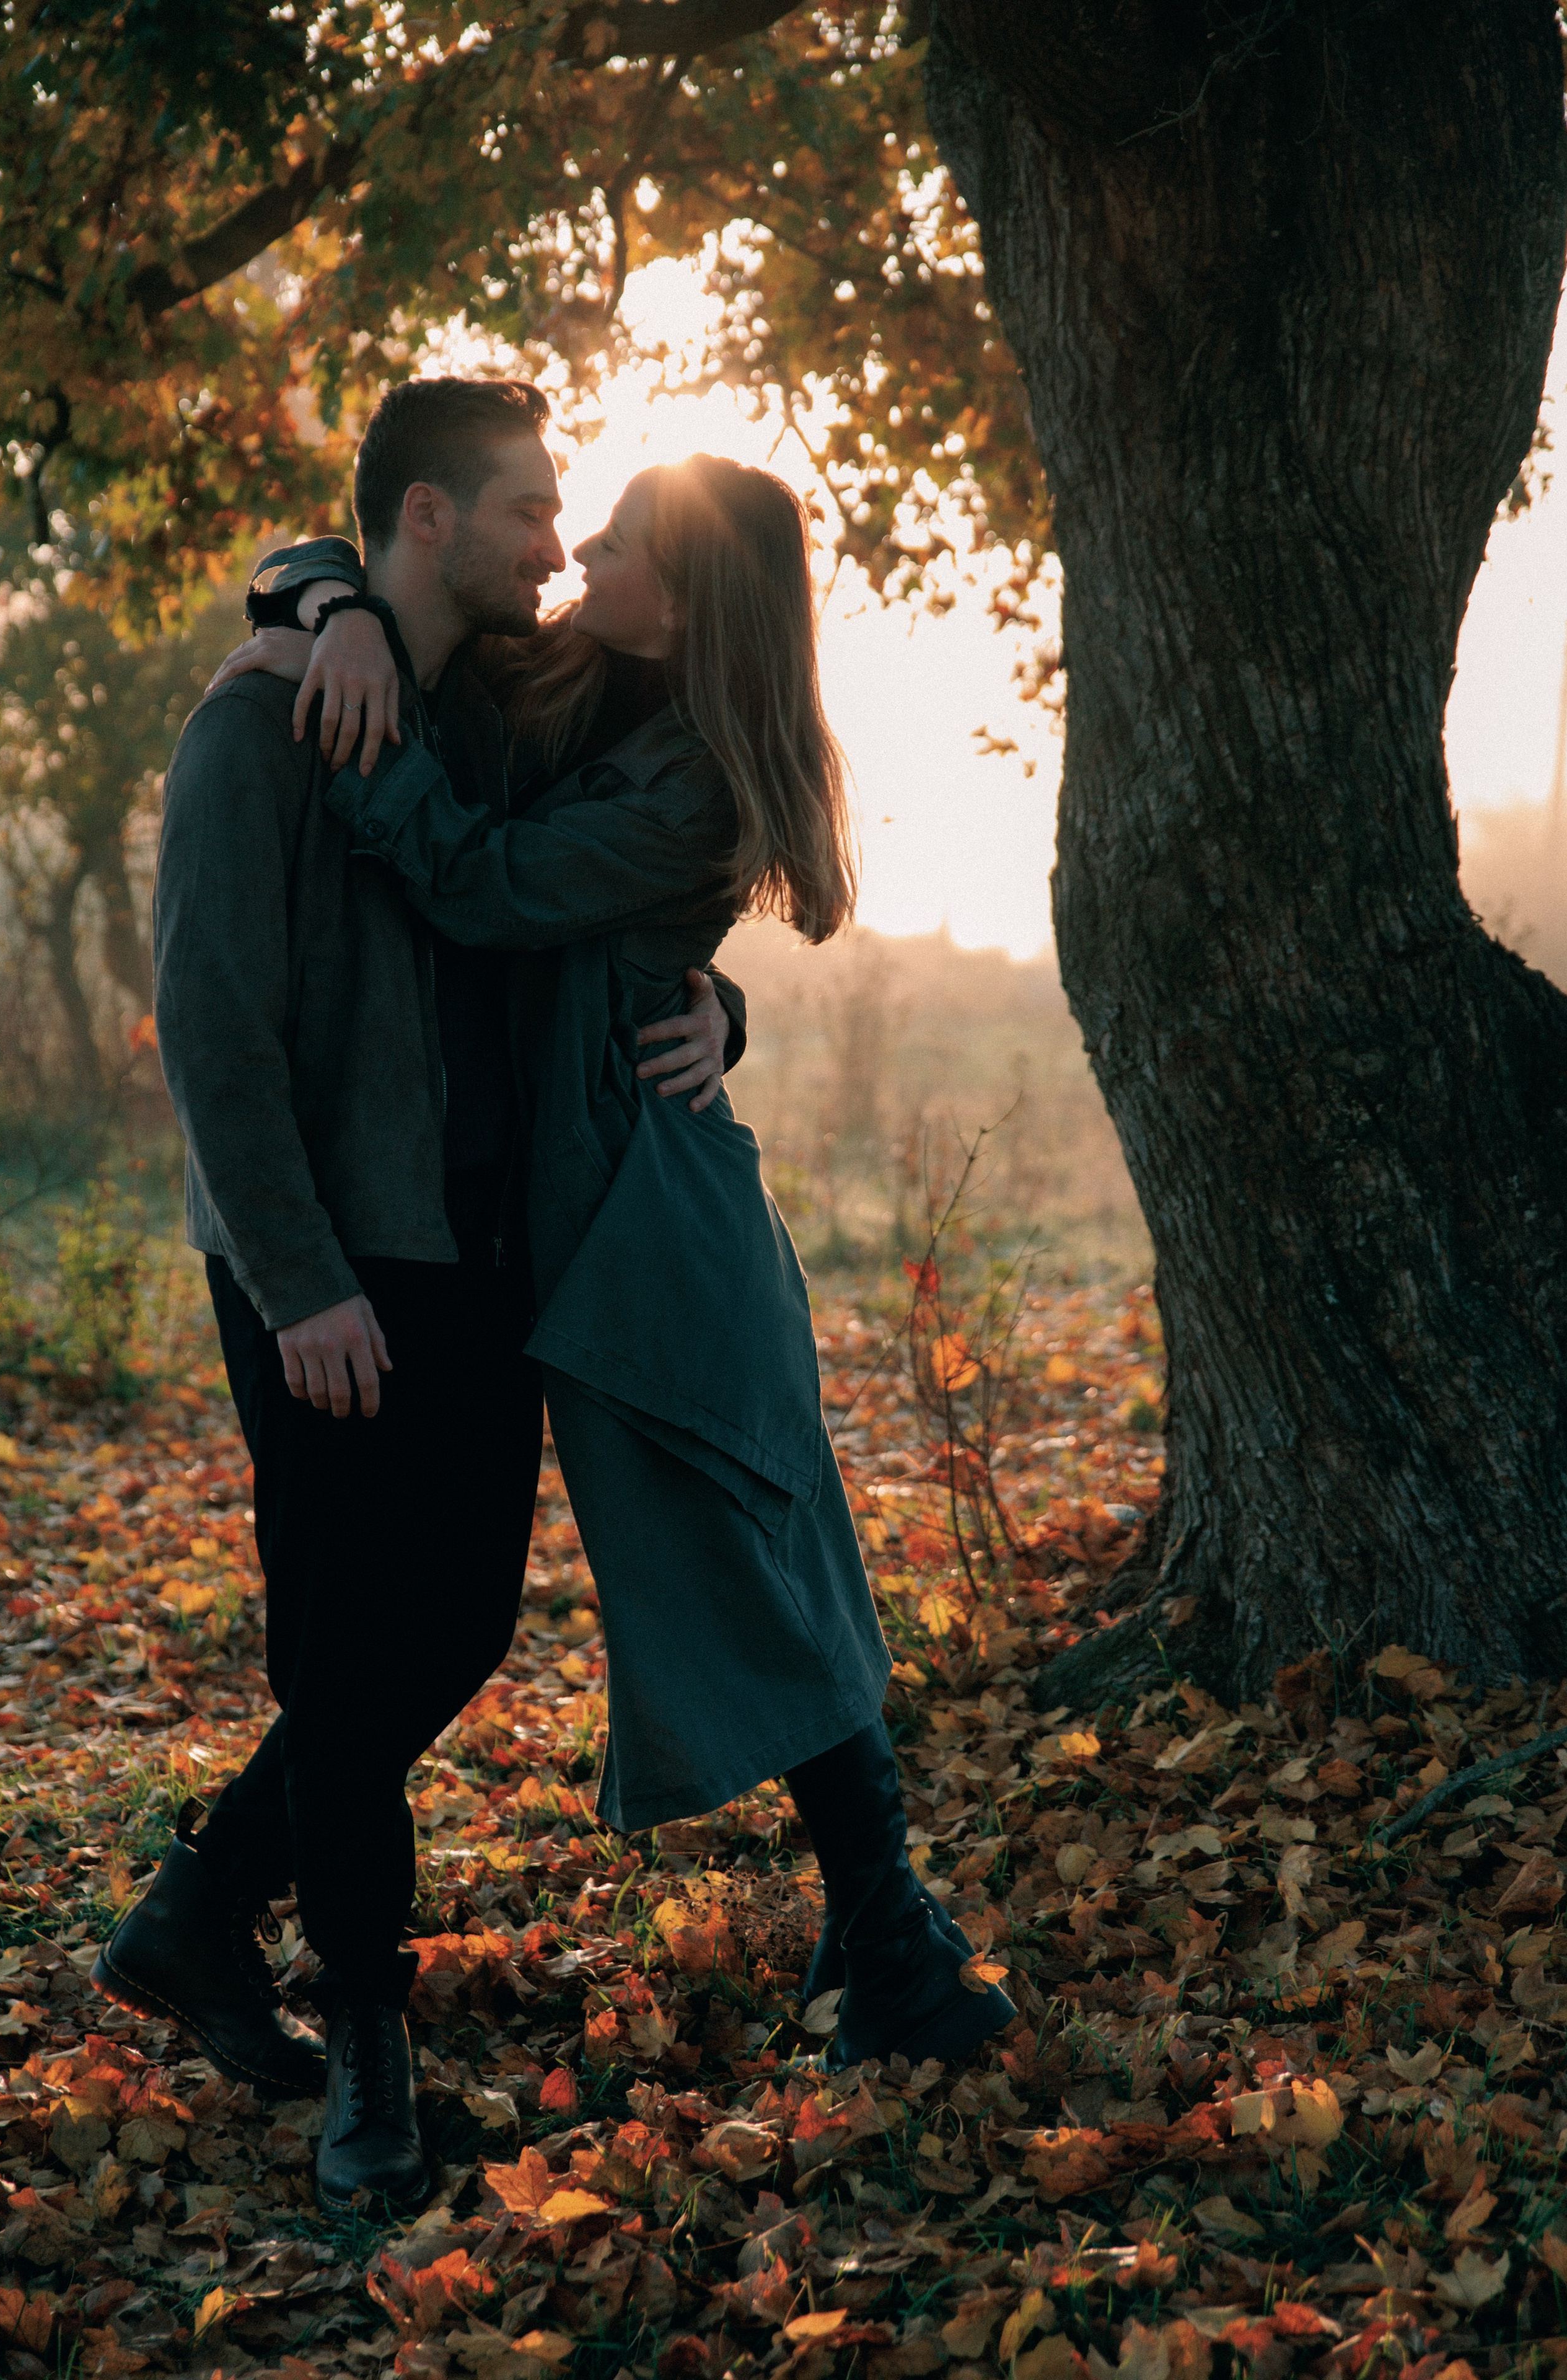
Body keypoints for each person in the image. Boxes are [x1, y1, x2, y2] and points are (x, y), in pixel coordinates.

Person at [222, 449, 1017, 2087]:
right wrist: (331, 606)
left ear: (695, 589)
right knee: (484, 1600)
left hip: (656, 1217)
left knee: (757, 1530)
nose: (582, 550)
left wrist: (719, 1008)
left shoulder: (697, 775)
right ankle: (884, 1940)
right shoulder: (571, 682)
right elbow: (390, 560)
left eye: (623, 542)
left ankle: (895, 1944)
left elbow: (482, 883)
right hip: (549, 1218)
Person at [97, 379, 744, 2218]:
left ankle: (196, 1919)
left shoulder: (492, 708)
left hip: (480, 1263)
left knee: (449, 1632)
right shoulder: (257, 731)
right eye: (535, 511)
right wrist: (298, 1286)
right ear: (432, 519)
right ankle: (366, 2063)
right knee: (338, 1648)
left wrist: (722, 1011)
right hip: (326, 1269)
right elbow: (216, 1038)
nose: (562, 545)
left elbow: (637, 869)